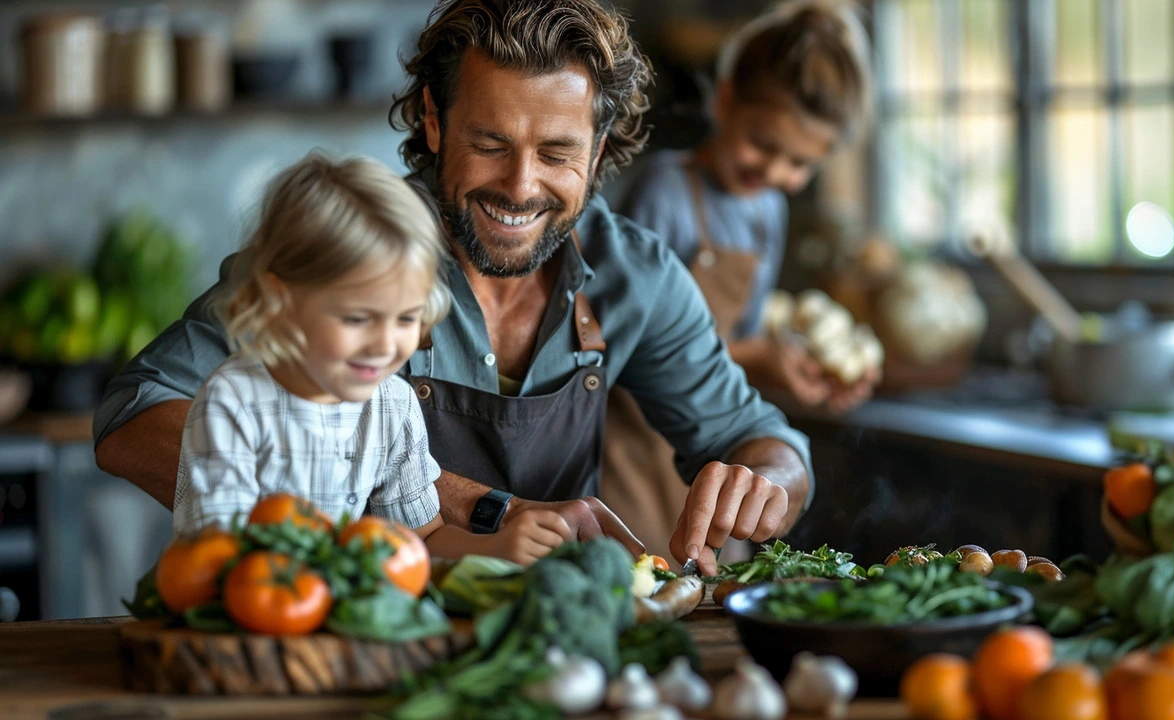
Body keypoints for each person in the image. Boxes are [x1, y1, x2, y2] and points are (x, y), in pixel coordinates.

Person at [93, 0, 815, 576]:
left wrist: (766, 482)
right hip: (355, 631)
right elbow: (133, 418)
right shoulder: (349, 246)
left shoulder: (637, 276)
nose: (521, 187)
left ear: (597, 153)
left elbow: (763, 440)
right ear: (435, 123)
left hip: (547, 648)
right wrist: (477, 509)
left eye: (557, 153)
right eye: (490, 144)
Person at [174, 154, 572, 564]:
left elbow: (420, 543)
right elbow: (219, 560)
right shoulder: (234, 402)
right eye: (358, 318)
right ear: (282, 300)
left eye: (405, 318)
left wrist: (495, 547)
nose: (384, 345)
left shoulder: (391, 407)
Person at [601, 0, 877, 563]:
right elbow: (620, 343)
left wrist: (798, 367)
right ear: (725, 101)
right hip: (636, 450)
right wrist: (760, 355)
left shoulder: (765, 209)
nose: (774, 172)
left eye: (798, 163)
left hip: (718, 460)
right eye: (763, 145)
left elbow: (740, 343)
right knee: (641, 587)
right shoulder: (666, 190)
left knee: (714, 594)